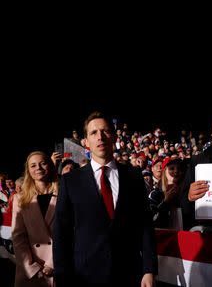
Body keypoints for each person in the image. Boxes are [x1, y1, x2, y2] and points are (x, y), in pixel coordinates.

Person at [53, 111, 157, 287]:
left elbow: (145, 226)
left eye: (105, 131)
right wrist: (62, 277)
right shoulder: (71, 181)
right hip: (84, 276)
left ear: (115, 136)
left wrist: (149, 269)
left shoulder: (133, 176)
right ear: (85, 142)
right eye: (93, 133)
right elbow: (61, 232)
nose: (100, 137)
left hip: (130, 273)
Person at [11, 151, 59, 287]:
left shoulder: (64, 194)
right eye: (33, 165)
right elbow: (18, 237)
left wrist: (52, 264)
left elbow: (70, 232)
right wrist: (31, 268)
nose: (38, 168)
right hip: (30, 270)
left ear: (50, 166)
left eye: (43, 163)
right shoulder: (20, 199)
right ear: (28, 171)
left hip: (58, 266)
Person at [149, 157, 185, 229]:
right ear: (164, 171)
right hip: (164, 237)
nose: (176, 171)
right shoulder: (155, 194)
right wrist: (165, 202)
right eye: (172, 168)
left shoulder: (187, 193)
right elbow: (151, 220)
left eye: (179, 169)